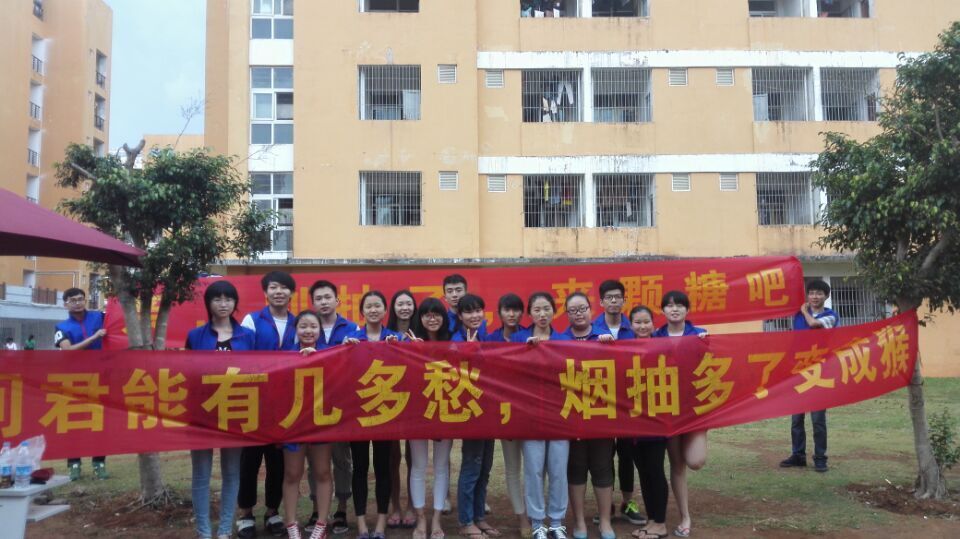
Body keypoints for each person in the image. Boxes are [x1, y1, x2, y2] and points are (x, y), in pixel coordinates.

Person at [185, 280, 256, 539]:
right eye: (217, 299)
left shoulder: (247, 336)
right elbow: (187, 373)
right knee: (201, 475)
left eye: (228, 299)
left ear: (235, 303)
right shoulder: (196, 336)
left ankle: (225, 530)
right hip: (201, 413)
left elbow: (257, 371)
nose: (223, 304)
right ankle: (203, 531)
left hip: (235, 412)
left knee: (232, 473)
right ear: (208, 303)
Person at [238, 271, 299, 538]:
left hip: (285, 405)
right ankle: (246, 514)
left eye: (284, 288)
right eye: (274, 287)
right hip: (255, 402)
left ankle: (273, 511)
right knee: (249, 461)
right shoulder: (252, 320)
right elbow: (242, 358)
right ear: (265, 292)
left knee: (278, 462)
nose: (279, 292)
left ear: (291, 293)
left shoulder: (298, 323)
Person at [512, 292, 570, 539]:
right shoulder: (519, 338)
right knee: (533, 470)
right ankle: (537, 522)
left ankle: (556, 521)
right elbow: (507, 369)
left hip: (559, 414)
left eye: (547, 309)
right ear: (529, 313)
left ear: (554, 311)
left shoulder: (565, 339)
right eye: (537, 310)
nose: (542, 314)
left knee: (558, 469)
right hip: (531, 414)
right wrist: (524, 351)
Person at [345, 291, 402, 539]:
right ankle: (361, 524)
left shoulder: (395, 338)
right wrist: (345, 350)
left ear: (385, 310)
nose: (373, 310)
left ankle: (380, 523)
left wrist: (400, 348)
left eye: (378, 305)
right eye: (368, 306)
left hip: (385, 412)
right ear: (362, 311)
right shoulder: (351, 339)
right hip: (358, 414)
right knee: (359, 467)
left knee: (382, 467)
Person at [652, 291, 708, 539]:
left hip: (694, 409)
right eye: (669, 305)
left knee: (695, 461)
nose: (674, 309)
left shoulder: (700, 334)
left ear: (687, 310)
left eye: (679, 305)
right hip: (668, 408)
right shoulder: (655, 336)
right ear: (663, 310)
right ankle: (685, 516)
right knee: (677, 464)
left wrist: (709, 344)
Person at [562, 293, 616, 539]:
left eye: (582, 308)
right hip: (571, 414)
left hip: (601, 414)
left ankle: (605, 522)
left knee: (603, 467)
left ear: (591, 309)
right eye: (573, 310)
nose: (579, 314)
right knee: (576, 468)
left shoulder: (605, 336)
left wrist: (611, 346)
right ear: (567, 314)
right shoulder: (559, 340)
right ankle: (580, 522)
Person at [308, 279, 359, 534]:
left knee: (341, 458)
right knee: (315, 459)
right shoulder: (306, 327)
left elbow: (360, 362)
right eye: (318, 298)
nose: (323, 302)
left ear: (337, 300)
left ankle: (341, 509)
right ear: (312, 303)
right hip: (312, 404)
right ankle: (317, 509)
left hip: (341, 403)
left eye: (327, 297)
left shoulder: (352, 328)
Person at [593, 280, 644, 525]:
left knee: (626, 453)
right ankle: (606, 505)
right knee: (603, 455)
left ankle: (628, 502)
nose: (613, 301)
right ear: (601, 302)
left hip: (628, 400)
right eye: (609, 297)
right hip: (600, 400)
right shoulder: (591, 329)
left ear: (625, 300)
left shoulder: (633, 328)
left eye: (617, 297)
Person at [281, 310, 334, 539]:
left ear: (320, 330)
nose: (308, 331)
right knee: (292, 473)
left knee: (322, 471)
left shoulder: (331, 353)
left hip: (321, 422)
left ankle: (321, 523)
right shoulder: (284, 354)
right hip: (294, 422)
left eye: (313, 326)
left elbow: (340, 381)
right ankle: (291, 524)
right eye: (303, 326)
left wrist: (319, 358)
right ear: (295, 330)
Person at [780, 279, 840, 473]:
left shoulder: (830, 316)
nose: (815, 297)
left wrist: (804, 311)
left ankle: (820, 458)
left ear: (826, 296)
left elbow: (814, 324)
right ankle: (798, 455)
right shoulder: (797, 314)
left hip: (820, 373)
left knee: (817, 419)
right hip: (799, 371)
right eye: (812, 293)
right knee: (796, 419)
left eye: (819, 293)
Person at [452, 294, 500, 539]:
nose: (475, 315)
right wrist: (466, 352)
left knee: (485, 468)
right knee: (471, 466)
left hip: (488, 409)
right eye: (469, 312)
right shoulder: (455, 340)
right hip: (470, 411)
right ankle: (465, 521)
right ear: (460, 316)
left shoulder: (485, 335)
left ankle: (479, 517)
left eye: (478, 310)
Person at [407, 298, 454, 539]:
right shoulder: (410, 342)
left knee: (441, 466)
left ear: (444, 318)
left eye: (437, 314)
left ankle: (436, 518)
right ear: (420, 318)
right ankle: (421, 519)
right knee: (418, 466)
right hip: (417, 412)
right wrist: (412, 351)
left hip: (445, 410)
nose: (432, 318)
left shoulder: (454, 341)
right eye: (427, 314)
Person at [486, 293, 529, 537]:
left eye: (516, 310)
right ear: (499, 313)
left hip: (530, 412)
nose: (511, 314)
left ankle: (535, 512)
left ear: (522, 313)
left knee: (534, 467)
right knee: (512, 467)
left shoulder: (529, 336)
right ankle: (522, 517)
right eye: (507, 310)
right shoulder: (490, 339)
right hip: (504, 412)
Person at [55, 287, 109, 480]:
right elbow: (68, 351)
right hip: (74, 380)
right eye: (73, 300)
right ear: (66, 304)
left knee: (100, 421)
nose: (77, 303)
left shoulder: (99, 317)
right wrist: (94, 337)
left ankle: (99, 463)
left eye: (80, 299)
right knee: (74, 421)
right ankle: (74, 464)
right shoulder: (61, 327)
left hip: (101, 378)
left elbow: (119, 323)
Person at [628, 306, 670, 539]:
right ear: (630, 325)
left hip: (656, 419)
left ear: (653, 324)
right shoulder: (623, 347)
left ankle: (661, 523)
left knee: (655, 470)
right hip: (632, 421)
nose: (642, 326)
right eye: (637, 322)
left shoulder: (663, 345)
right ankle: (652, 519)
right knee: (643, 471)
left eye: (646, 322)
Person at [386, 290, 418, 529]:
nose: (405, 307)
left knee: (413, 456)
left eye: (409, 303)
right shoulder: (385, 333)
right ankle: (395, 505)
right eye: (400, 304)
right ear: (393, 308)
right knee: (392, 457)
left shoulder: (421, 332)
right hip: (390, 399)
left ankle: (412, 506)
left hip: (416, 399)